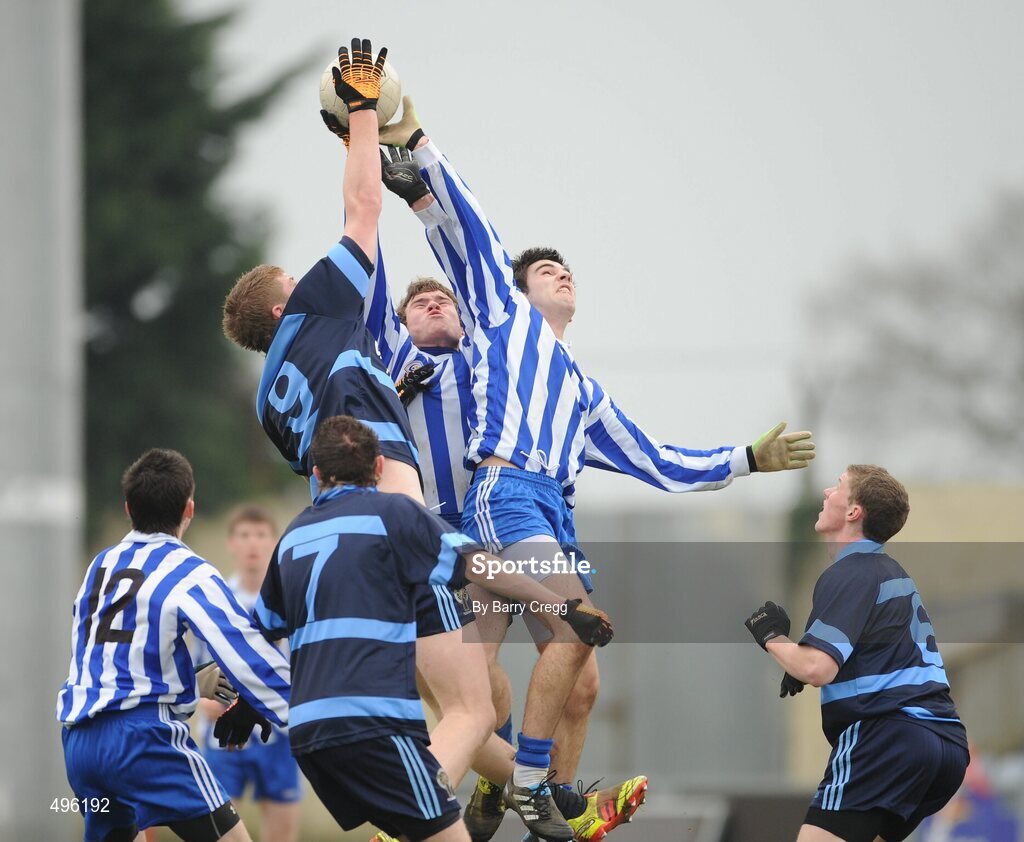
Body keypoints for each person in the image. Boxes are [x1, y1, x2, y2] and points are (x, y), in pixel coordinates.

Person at [370, 99, 816, 839]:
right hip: (503, 498)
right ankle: (531, 792)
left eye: (569, 269)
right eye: (546, 269)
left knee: (564, 679)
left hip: (547, 511)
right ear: (521, 291)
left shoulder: (579, 388)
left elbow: (655, 459)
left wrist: (744, 459)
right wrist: (416, 150)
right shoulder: (501, 322)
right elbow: (472, 232)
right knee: (572, 634)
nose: (561, 274)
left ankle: (525, 797)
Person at [250, 414, 612, 842]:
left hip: (309, 735)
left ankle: (519, 786)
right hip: (376, 727)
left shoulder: (291, 537)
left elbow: (260, 632)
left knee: (421, 825)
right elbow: (479, 564)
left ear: (315, 474)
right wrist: (562, 608)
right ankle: (528, 785)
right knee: (472, 713)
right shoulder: (394, 514)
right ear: (380, 468)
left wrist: (243, 702)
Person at [220, 39, 421, 504]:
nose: (302, 280)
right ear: (279, 308)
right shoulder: (312, 309)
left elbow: (330, 402)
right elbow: (364, 210)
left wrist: (386, 387)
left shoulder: (265, 401)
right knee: (438, 569)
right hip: (382, 464)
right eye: (291, 282)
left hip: (327, 503)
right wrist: (363, 110)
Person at [56, 449, 291, 842]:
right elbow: (247, 652)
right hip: (142, 740)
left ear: (128, 508)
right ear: (190, 510)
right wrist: (301, 709)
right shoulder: (188, 570)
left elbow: (110, 658)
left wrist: (190, 682)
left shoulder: (99, 565)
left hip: (81, 744)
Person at [744, 465, 968, 842]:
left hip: (889, 736)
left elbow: (818, 667)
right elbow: (863, 655)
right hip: (946, 746)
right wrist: (796, 661)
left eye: (839, 487)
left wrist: (771, 635)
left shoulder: (851, 572)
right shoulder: (888, 570)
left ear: (853, 512)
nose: (827, 492)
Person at [195, 506, 301, 842]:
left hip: (279, 734)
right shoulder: (216, 597)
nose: (253, 543)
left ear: (274, 542)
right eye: (244, 535)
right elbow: (198, 662)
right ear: (231, 543)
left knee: (282, 831)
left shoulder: (292, 599)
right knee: (223, 831)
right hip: (221, 730)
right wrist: (203, 702)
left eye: (260, 535)